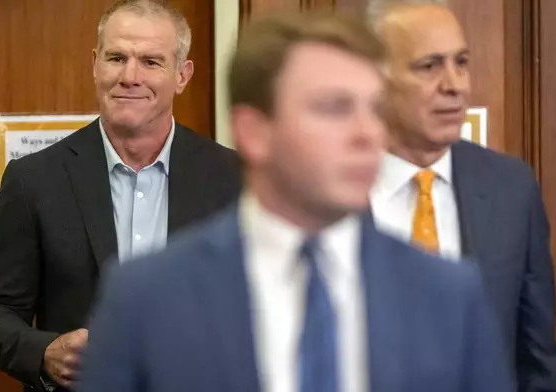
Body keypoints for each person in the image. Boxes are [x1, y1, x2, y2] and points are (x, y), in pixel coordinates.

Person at [77, 10, 514, 392]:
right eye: (333, 108)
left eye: (375, 110)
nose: (367, 135)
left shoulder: (449, 296)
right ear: (253, 132)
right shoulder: (145, 298)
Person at [0, 1, 241, 391]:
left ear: (183, 75)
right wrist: (45, 352)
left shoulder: (235, 179)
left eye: (151, 61)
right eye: (116, 57)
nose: (130, 76)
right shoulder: (34, 180)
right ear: (95, 64)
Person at [366, 0, 556, 390]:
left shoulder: (510, 189)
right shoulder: (320, 196)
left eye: (461, 62)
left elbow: (539, 363)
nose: (455, 85)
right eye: (430, 66)